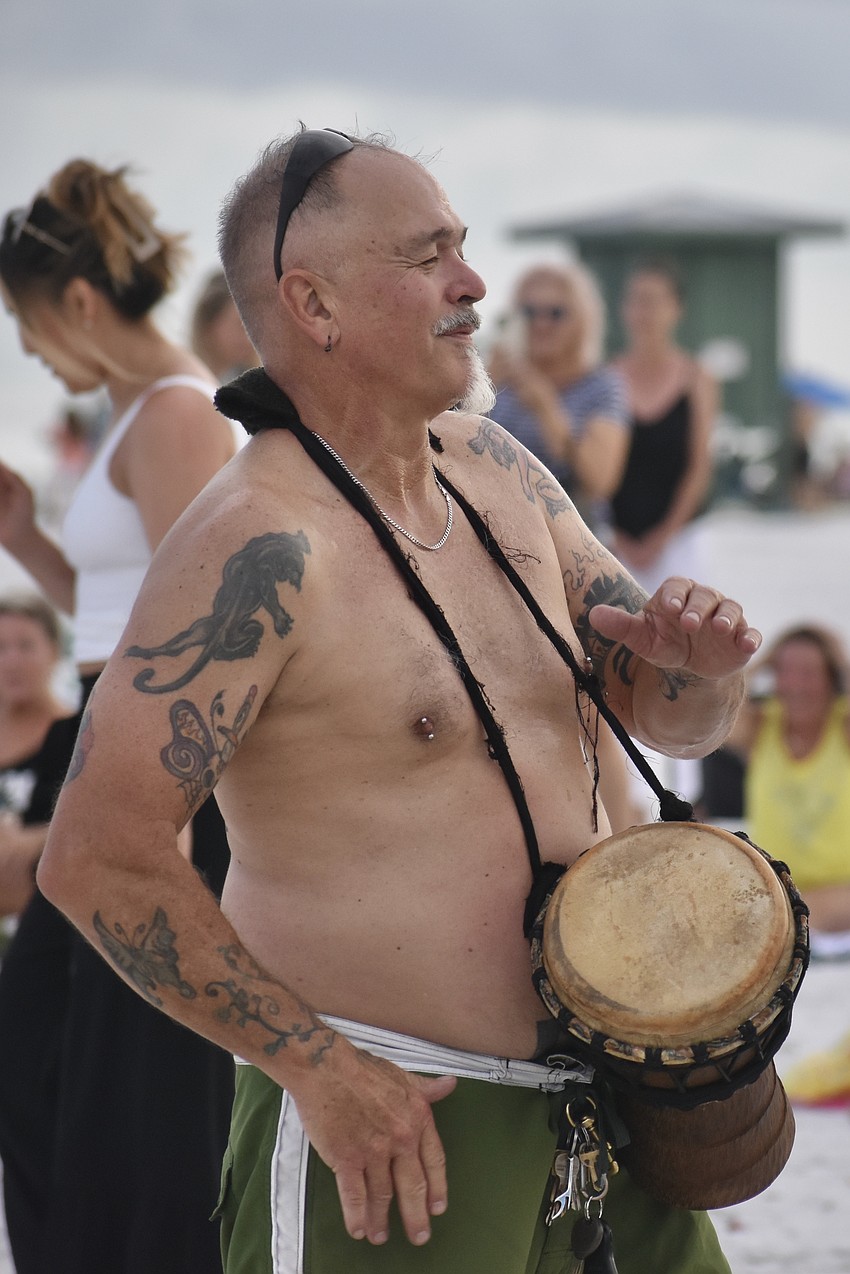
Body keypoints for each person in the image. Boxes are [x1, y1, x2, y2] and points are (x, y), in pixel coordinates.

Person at [37, 128, 763, 1274]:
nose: (472, 283)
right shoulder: (257, 542)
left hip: (614, 1096)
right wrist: (316, 1066)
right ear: (313, 304)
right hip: (401, 1126)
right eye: (428, 257)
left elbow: (669, 714)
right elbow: (95, 856)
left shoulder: (500, 472)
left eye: (461, 247)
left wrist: (704, 668)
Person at [0, 158, 241, 1274]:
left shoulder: (176, 414)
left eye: (27, 322)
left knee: (133, 1073)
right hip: (116, 734)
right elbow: (124, 614)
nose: (27, 348)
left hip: (152, 757)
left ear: (81, 302)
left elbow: (205, 630)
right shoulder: (139, 411)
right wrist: (26, 539)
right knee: (59, 1049)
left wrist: (167, 808)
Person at [727, 623, 850, 950]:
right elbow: (717, 710)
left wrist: (843, 670)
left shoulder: (843, 727)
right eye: (785, 671)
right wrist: (760, 663)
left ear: (832, 678)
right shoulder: (762, 727)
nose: (794, 684)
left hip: (840, 895)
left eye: (808, 673)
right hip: (777, 891)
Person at [610, 259, 718, 596]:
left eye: (655, 301)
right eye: (637, 300)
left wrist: (662, 538)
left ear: (676, 309)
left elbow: (699, 465)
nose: (645, 312)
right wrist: (618, 537)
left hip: (680, 542)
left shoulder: (697, 379)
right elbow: (596, 468)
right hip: (613, 542)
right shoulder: (606, 378)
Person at [487, 262, 630, 516]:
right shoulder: (499, 378)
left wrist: (547, 409)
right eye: (529, 312)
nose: (541, 324)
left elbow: (601, 481)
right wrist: (482, 388)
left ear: (582, 320)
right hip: (498, 520)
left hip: (571, 527)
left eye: (556, 313)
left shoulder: (602, 386)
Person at [0, 594, 71, 923]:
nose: (12, 662)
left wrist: (36, 839)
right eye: (1, 648)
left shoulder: (79, 737)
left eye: (26, 646)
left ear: (54, 652)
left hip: (51, 914)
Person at [190, 267, 259, 382]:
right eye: (242, 325)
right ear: (209, 323)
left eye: (257, 327)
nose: (250, 339)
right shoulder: (186, 380)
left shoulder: (257, 384)